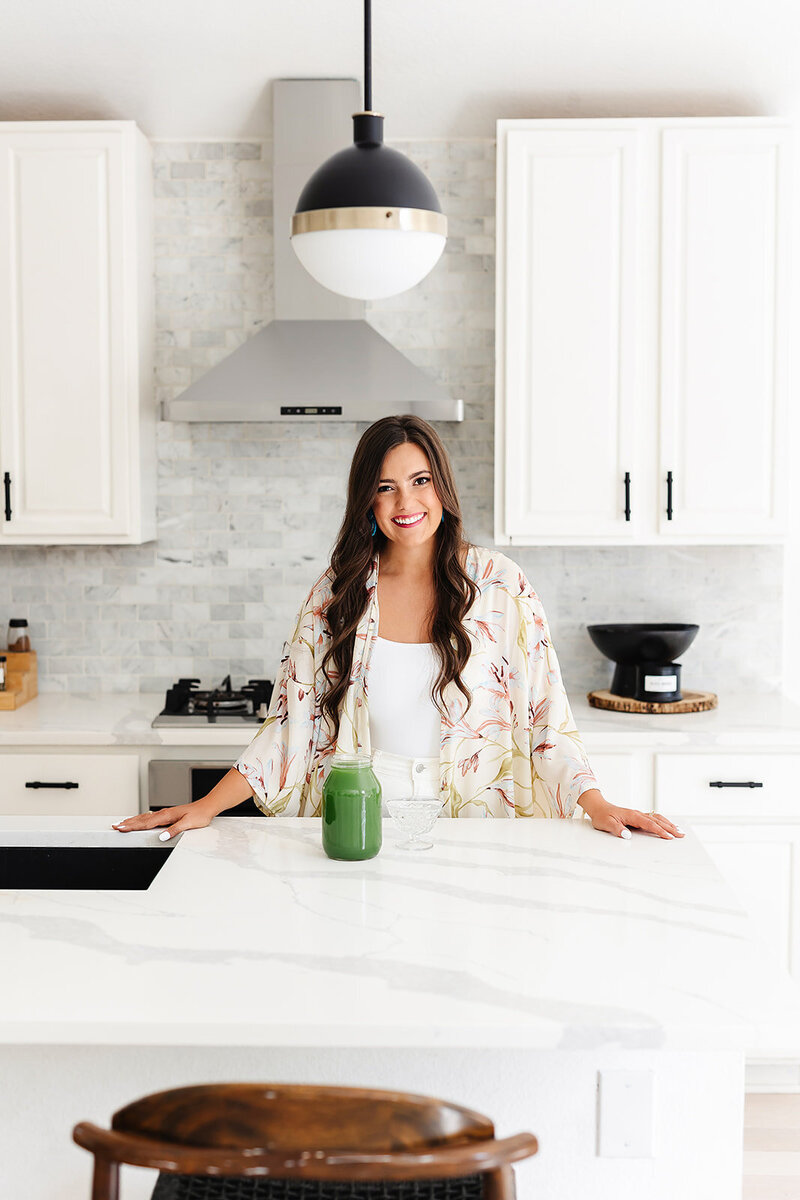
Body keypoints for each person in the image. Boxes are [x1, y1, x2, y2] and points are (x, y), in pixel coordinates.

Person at [113, 415, 683, 842]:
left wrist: (595, 802)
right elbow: (292, 726)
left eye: (420, 480)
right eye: (386, 487)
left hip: (477, 818)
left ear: (443, 488)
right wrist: (207, 806)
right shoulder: (335, 595)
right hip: (362, 818)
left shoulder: (500, 586)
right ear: (366, 500)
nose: (405, 502)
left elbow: (546, 717)